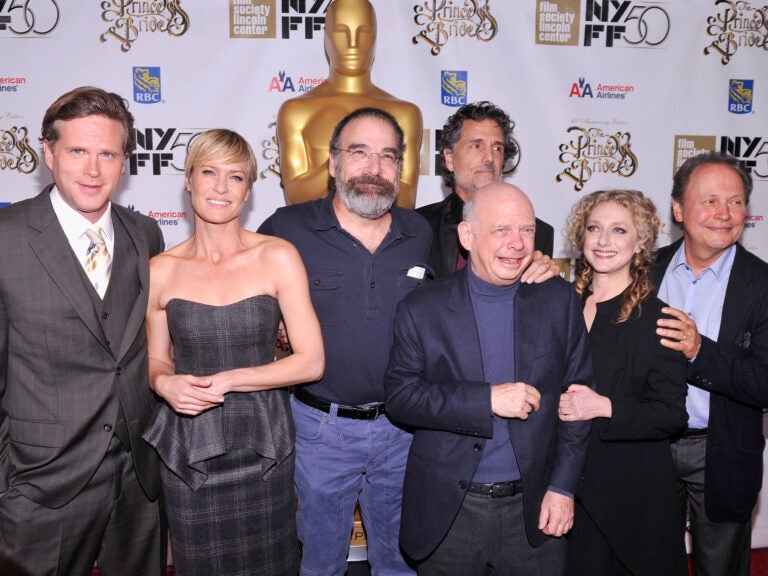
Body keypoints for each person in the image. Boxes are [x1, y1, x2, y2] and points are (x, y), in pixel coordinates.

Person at [384, 182, 594, 575]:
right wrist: (487, 401)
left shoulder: (558, 300)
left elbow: (578, 399)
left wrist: (564, 487)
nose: (517, 243)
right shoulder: (422, 308)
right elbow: (401, 397)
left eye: (526, 230)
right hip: (450, 512)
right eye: (501, 229)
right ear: (467, 235)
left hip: (533, 510)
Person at [0, 86, 166, 576]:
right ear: (48, 153)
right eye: (77, 151)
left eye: (107, 154)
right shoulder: (6, 237)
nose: (93, 170)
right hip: (40, 481)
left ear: (124, 161)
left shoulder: (145, 234)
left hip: (139, 475)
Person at [142, 129, 324, 575]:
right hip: (190, 448)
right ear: (189, 180)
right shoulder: (160, 270)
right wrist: (164, 382)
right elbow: (155, 359)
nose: (221, 188)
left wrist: (228, 379)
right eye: (209, 172)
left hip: (263, 446)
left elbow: (312, 361)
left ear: (248, 191)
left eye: (236, 177)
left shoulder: (278, 256)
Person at [259, 107, 431, 575]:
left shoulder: (421, 234)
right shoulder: (285, 229)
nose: (374, 169)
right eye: (359, 152)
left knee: (401, 562)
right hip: (320, 429)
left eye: (388, 156)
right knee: (320, 562)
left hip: (405, 430)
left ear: (400, 169)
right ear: (332, 163)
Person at [558, 190, 688, 576]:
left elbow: (671, 414)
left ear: (641, 243)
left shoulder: (660, 319)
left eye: (618, 230)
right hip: (569, 488)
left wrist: (605, 406)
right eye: (594, 229)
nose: (603, 241)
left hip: (632, 497)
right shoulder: (559, 305)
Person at [653, 151, 768, 576]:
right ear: (679, 209)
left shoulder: (762, 285)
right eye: (710, 200)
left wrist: (700, 350)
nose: (724, 214)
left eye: (736, 202)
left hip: (720, 452)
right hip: (648, 447)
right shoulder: (644, 271)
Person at [277, 0, 423, 209]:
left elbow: (406, 199)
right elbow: (296, 194)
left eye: (363, 33)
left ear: (374, 39)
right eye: (341, 32)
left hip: (383, 237)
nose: (353, 44)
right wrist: (350, 162)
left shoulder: (405, 113)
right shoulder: (297, 111)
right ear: (326, 39)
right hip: (315, 236)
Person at [417, 101, 555, 279]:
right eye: (477, 146)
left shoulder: (539, 234)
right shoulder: (417, 226)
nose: (490, 157)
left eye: (497, 148)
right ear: (450, 159)